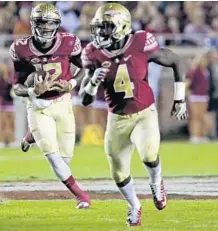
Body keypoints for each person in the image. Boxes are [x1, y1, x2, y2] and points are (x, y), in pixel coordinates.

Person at [79, 3, 187, 226]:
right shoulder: (93, 53)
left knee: (149, 153)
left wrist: (179, 98)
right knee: (118, 173)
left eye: (106, 27)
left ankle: (156, 183)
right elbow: (85, 99)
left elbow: (176, 60)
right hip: (116, 119)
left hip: (143, 114)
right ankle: (134, 205)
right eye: (99, 27)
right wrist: (91, 83)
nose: (101, 32)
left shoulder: (140, 42)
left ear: (121, 26)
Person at [9, 3, 90, 209]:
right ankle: (81, 196)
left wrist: (71, 83)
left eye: (50, 23)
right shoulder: (21, 48)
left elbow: (85, 68)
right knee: (54, 158)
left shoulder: (70, 42)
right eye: (42, 22)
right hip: (38, 105)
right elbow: (16, 85)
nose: (46, 27)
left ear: (57, 25)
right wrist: (32, 91)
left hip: (63, 102)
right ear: (33, 24)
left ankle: (31, 135)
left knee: (65, 160)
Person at [0, 61, 16, 148]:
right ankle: (2, 141)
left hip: (10, 103)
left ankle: (12, 141)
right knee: (3, 124)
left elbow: (14, 90)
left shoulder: (11, 79)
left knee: (11, 123)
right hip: (2, 104)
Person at [186, 54, 209, 144]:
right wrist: (187, 93)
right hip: (195, 97)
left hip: (203, 97)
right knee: (195, 117)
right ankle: (194, 136)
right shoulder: (194, 71)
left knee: (202, 117)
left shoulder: (205, 71)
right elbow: (187, 83)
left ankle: (201, 135)